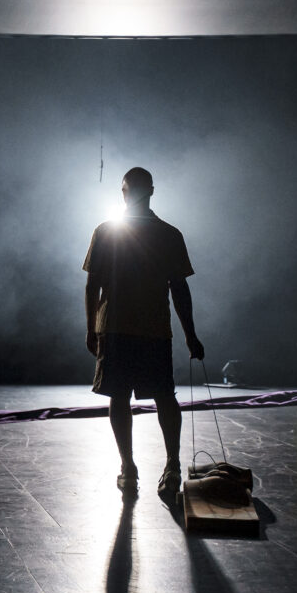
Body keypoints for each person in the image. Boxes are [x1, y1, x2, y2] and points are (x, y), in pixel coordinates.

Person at [83, 167, 204, 499]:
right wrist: (189, 335)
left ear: (129, 192)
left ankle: (132, 468)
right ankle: (166, 465)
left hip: (120, 328)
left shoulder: (108, 231)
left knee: (122, 396)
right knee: (161, 396)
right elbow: (179, 289)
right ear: (150, 191)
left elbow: (93, 285)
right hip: (148, 329)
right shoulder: (167, 234)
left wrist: (92, 327)